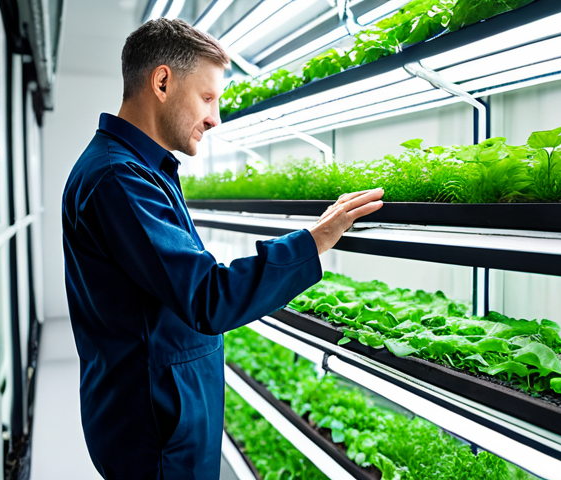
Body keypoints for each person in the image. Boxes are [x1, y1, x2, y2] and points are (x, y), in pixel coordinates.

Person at [61, 18, 384, 480]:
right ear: (163, 81)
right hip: (155, 420)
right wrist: (314, 242)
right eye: (208, 98)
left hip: (163, 403)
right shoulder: (120, 179)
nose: (215, 118)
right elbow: (207, 297)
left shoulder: (140, 168)